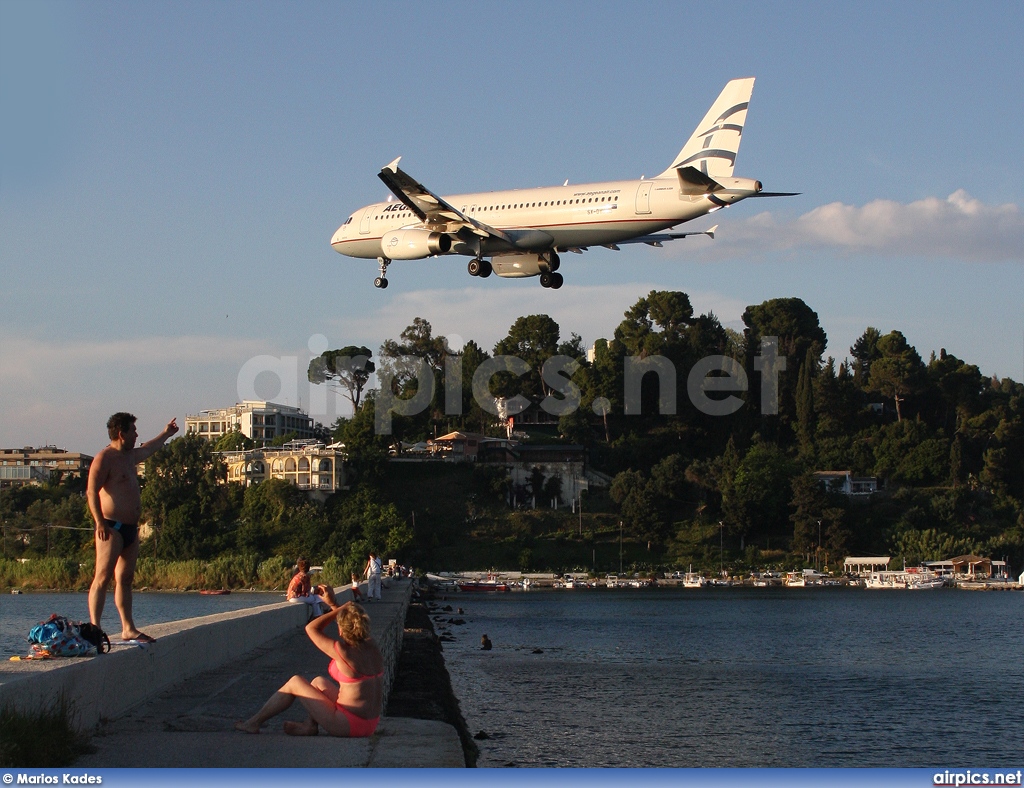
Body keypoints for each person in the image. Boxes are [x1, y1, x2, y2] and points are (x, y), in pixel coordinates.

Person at [234, 591, 384, 738]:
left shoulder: (343, 652)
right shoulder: (372, 646)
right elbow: (351, 623)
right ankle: (309, 725)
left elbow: (311, 628)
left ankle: (253, 722)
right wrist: (333, 604)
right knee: (318, 682)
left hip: (348, 725)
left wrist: (339, 609)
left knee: (295, 682)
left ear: (340, 630)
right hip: (370, 724)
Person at [87, 412, 178, 642]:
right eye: (133, 431)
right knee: (103, 576)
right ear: (121, 433)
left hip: (130, 528)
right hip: (111, 527)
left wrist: (166, 433)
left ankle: (127, 628)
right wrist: (98, 521)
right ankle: (95, 628)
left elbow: (149, 448)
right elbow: (91, 492)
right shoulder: (104, 459)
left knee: (125, 579)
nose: (137, 435)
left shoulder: (129, 456)